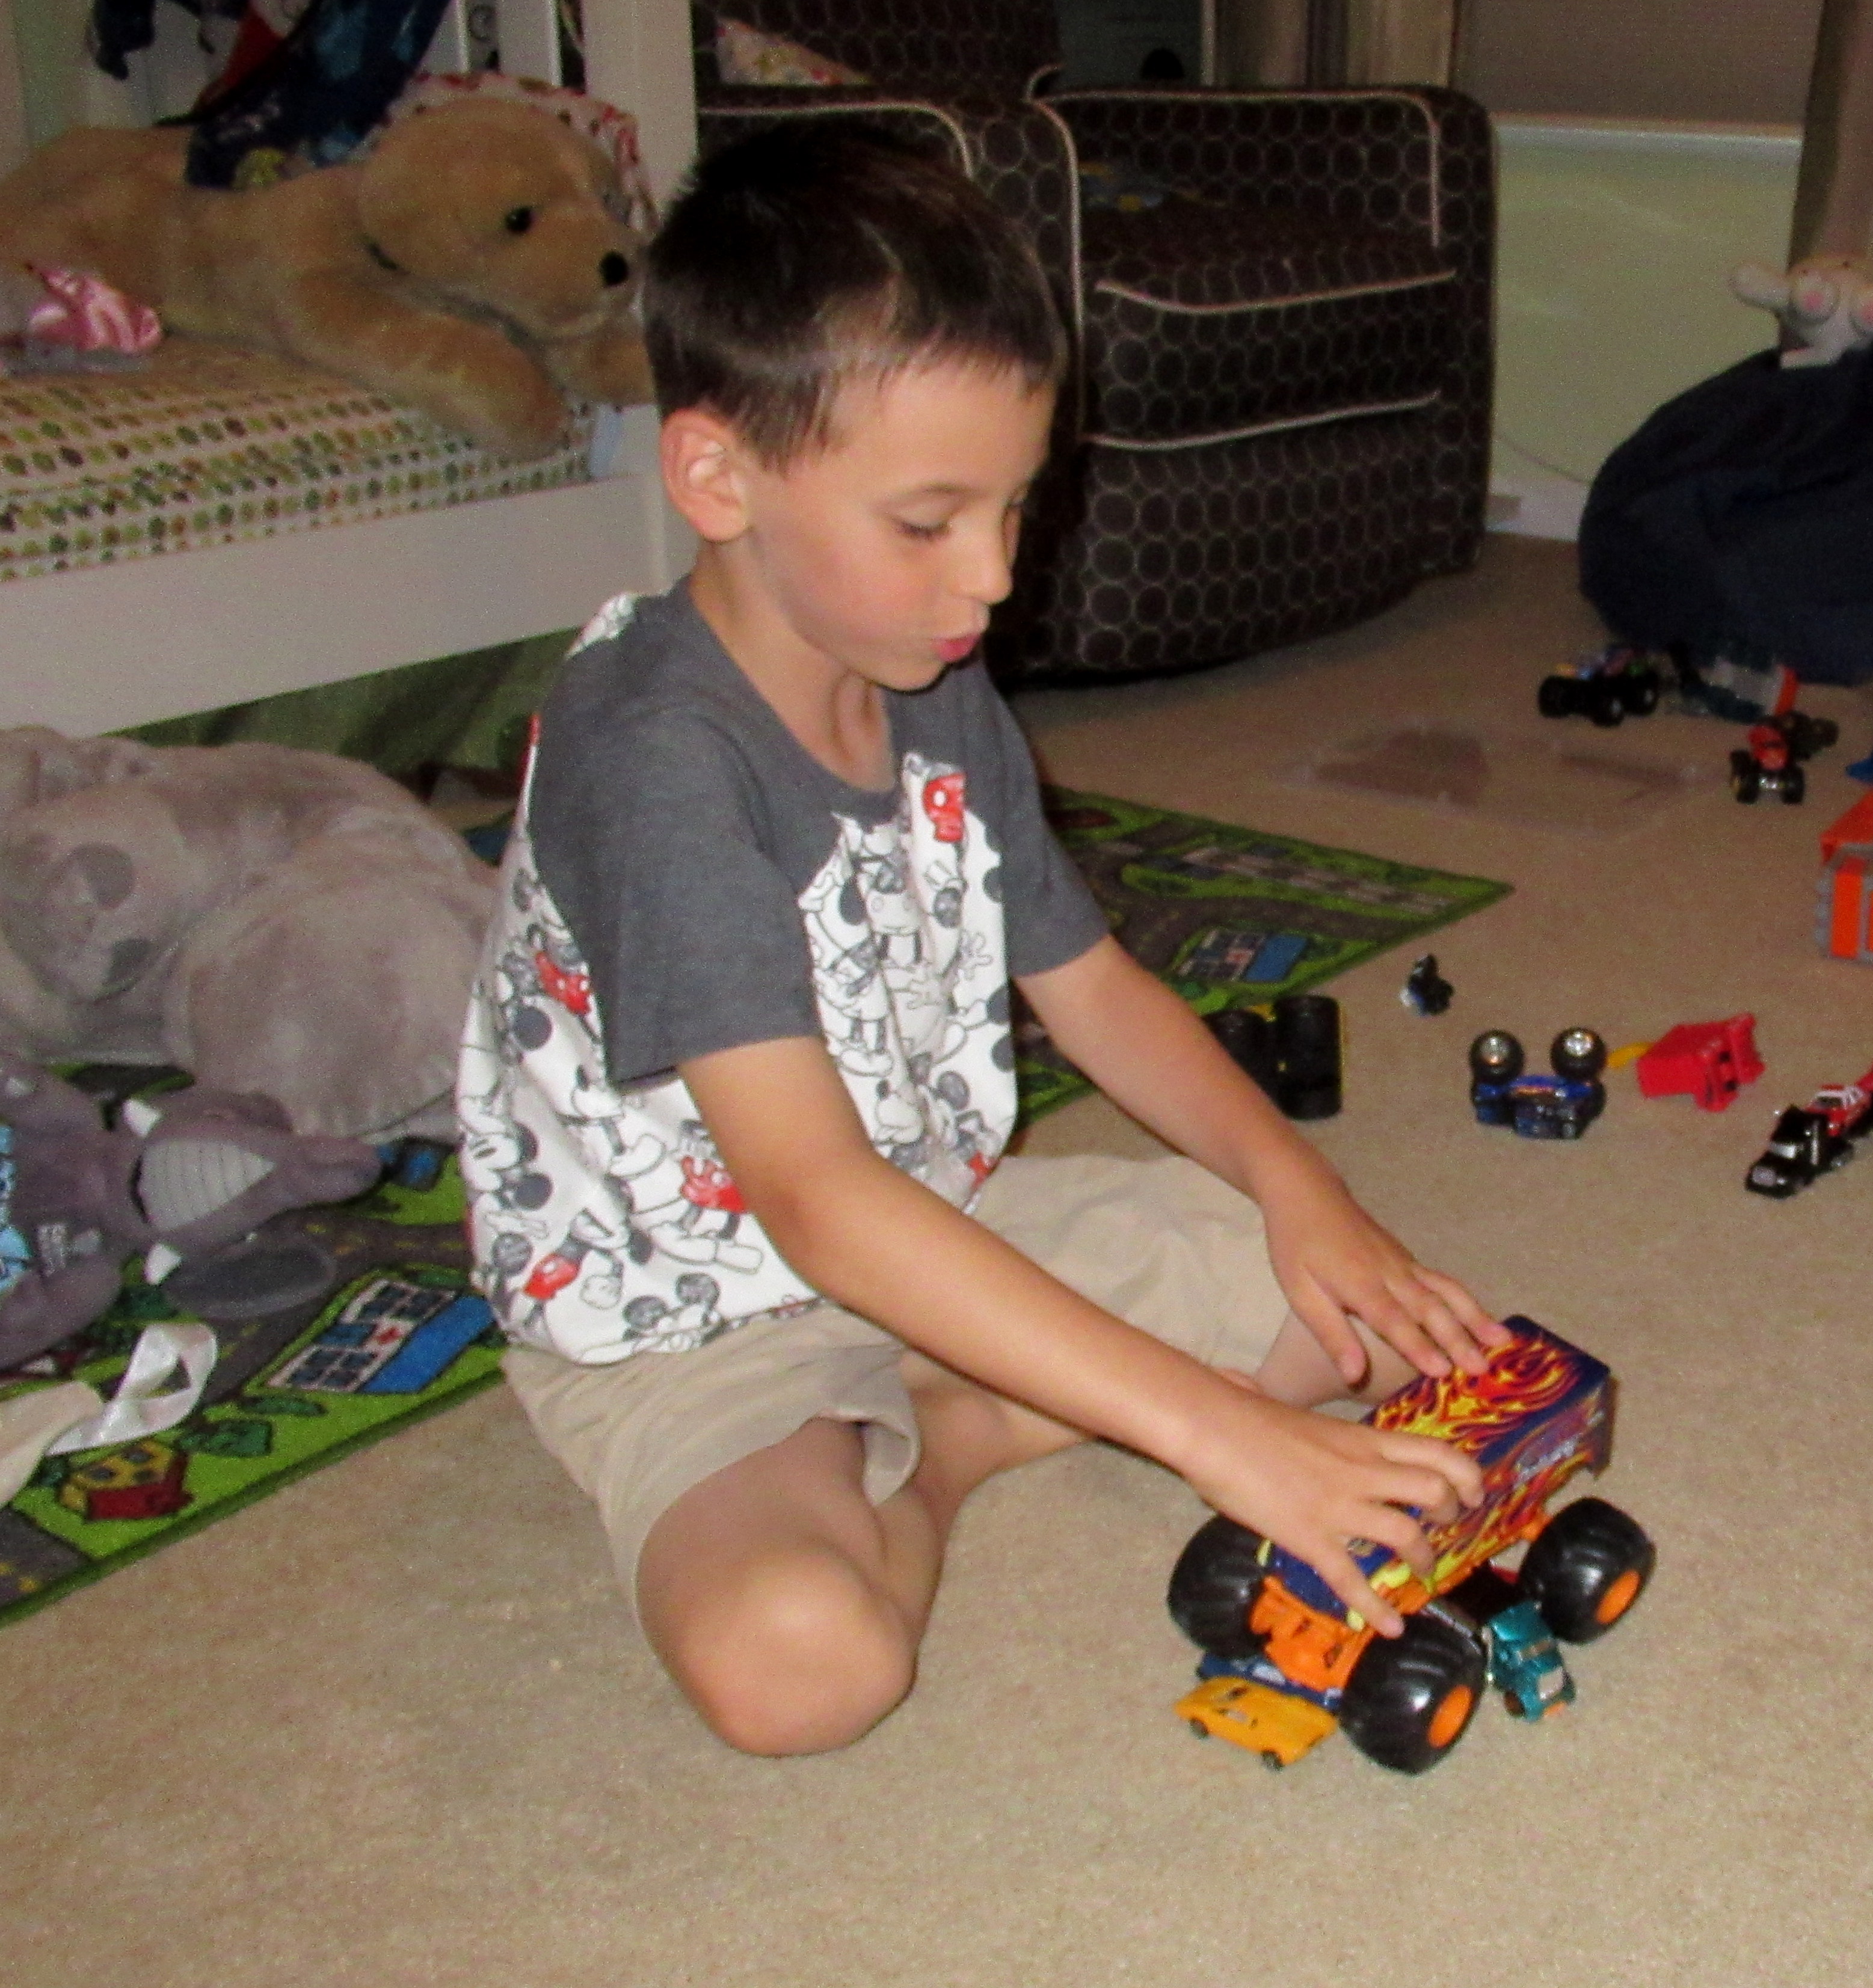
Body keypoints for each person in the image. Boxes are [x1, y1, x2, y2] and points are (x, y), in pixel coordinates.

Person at [457, 126, 1498, 1756]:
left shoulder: (929, 673)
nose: (996, 576)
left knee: (1350, 1319)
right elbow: (810, 1197)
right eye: (930, 520)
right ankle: (948, 1444)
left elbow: (1092, 990)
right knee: (803, 1669)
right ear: (718, 478)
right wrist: (1215, 1437)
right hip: (691, 1309)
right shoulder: (652, 754)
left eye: (1015, 507)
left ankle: (966, 1391)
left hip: (932, 1214)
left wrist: (1302, 1190)